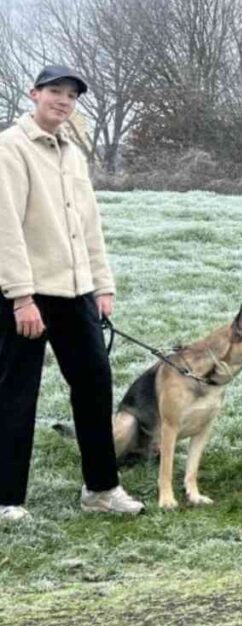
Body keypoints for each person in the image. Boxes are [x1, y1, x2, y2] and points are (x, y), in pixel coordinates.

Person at [0, 65, 144, 520]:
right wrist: (21, 297)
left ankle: (101, 489)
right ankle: (7, 500)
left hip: (76, 293)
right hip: (27, 295)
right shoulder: (11, 148)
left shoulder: (73, 154)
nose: (63, 101)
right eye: (55, 92)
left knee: (95, 387)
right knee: (17, 394)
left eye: (71, 95)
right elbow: (5, 229)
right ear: (34, 94)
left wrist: (103, 285)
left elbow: (89, 225)